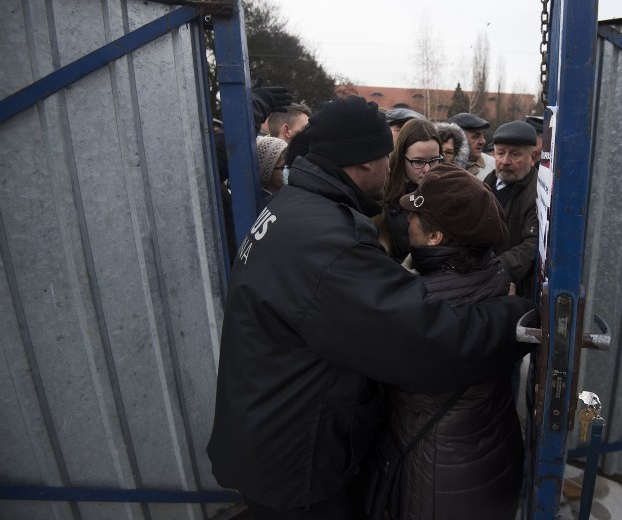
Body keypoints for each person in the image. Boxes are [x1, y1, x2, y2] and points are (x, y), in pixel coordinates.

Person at [206, 96, 531, 520]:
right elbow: (427, 342)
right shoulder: (327, 243)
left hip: (273, 431)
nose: (392, 169)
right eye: (387, 157)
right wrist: (517, 318)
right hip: (297, 462)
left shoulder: (294, 208)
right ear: (360, 164)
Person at [390, 163, 524, 520]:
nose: (407, 222)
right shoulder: (493, 274)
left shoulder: (422, 306)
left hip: (439, 476)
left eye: (415, 216)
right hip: (489, 456)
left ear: (436, 238)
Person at [483, 120, 540, 298]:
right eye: (500, 153)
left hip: (512, 287)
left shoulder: (537, 194)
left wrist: (492, 270)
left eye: (515, 155)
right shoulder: (487, 182)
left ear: (532, 157)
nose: (505, 161)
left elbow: (532, 245)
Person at [377, 119, 444, 261]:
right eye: (418, 161)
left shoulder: (450, 193)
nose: (427, 170)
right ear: (401, 159)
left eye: (434, 160)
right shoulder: (381, 197)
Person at [448, 112, 494, 180]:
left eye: (483, 135)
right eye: (476, 136)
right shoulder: (440, 163)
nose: (483, 141)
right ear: (459, 139)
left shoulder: (493, 167)